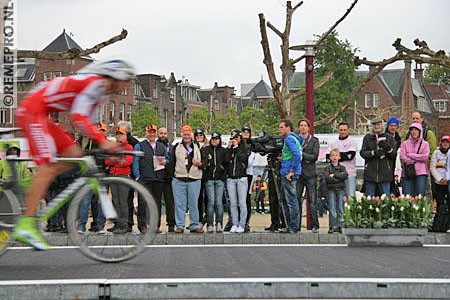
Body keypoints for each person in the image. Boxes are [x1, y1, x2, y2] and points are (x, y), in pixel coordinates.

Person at [13, 58, 132, 250]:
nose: (127, 85)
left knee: (76, 154)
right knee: (48, 168)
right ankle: (26, 223)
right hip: (32, 111)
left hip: (43, 113)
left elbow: (88, 126)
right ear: (114, 77)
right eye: (126, 79)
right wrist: (103, 142)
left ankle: (31, 193)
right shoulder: (94, 84)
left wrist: (103, 146)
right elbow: (77, 118)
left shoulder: (99, 93)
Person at [132, 124, 168, 233]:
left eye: (153, 132)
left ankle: (155, 226)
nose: (152, 134)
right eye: (149, 132)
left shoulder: (161, 146)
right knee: (143, 203)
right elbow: (135, 162)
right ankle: (142, 226)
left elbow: (167, 158)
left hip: (158, 178)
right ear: (146, 133)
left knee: (156, 203)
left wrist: (166, 161)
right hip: (144, 178)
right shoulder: (140, 145)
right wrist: (137, 176)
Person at [169, 125, 204, 233]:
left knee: (194, 203)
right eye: (185, 134)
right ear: (182, 135)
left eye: (188, 134)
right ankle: (180, 225)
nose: (187, 136)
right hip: (179, 179)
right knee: (179, 203)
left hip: (194, 178)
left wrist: (200, 164)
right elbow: (172, 162)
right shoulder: (176, 146)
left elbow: (206, 162)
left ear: (192, 135)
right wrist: (173, 176)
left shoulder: (198, 146)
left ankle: (194, 224)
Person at [77, 123, 108, 233]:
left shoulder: (96, 141)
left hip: (99, 173)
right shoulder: (79, 141)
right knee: (85, 201)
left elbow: (102, 156)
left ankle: (100, 226)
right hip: (86, 175)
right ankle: (81, 225)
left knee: (100, 202)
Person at [105, 126, 134, 234]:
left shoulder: (129, 147)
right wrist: (119, 159)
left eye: (121, 134)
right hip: (113, 175)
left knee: (123, 202)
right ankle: (117, 224)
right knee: (115, 202)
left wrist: (114, 160)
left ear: (125, 135)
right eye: (117, 134)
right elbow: (107, 161)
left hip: (123, 176)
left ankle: (124, 225)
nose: (119, 136)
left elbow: (127, 162)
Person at [360, 118, 396, 196]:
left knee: (385, 200)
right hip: (370, 174)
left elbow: (393, 154)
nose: (376, 126)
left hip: (385, 174)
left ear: (382, 125)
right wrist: (373, 153)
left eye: (378, 124)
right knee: (370, 200)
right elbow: (362, 153)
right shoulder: (367, 137)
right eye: (374, 125)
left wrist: (387, 148)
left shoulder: (389, 137)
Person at [278, 119, 302, 233]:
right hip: (288, 169)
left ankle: (293, 226)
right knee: (287, 200)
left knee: (291, 201)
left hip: (288, 172)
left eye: (281, 127)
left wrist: (291, 171)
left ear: (288, 128)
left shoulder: (289, 139)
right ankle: (290, 225)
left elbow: (297, 155)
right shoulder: (295, 138)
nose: (280, 129)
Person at [296, 118, 320, 232]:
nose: (303, 127)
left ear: (308, 128)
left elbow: (314, 157)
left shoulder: (314, 141)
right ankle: (297, 225)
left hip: (310, 174)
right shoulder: (295, 140)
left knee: (312, 201)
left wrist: (301, 154)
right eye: (301, 125)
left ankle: (315, 225)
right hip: (299, 173)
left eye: (305, 125)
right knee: (297, 199)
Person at [201, 132, 226, 233]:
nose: (214, 141)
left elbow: (227, 163)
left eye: (216, 139)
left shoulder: (223, 151)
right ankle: (210, 224)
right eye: (213, 139)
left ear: (219, 140)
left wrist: (223, 174)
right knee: (211, 202)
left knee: (219, 202)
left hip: (220, 179)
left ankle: (219, 223)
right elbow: (203, 163)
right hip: (209, 179)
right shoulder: (206, 150)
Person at [225, 129, 249, 233]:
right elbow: (225, 161)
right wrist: (229, 149)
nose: (234, 140)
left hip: (242, 178)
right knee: (233, 203)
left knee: (242, 203)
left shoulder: (244, 148)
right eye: (232, 138)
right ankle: (234, 223)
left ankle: (242, 224)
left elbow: (243, 159)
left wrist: (236, 148)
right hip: (231, 179)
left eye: (236, 138)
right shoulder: (230, 149)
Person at [117, 120, 140, 232]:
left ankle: (128, 223)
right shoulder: (117, 143)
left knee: (127, 200)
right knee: (119, 200)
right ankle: (120, 223)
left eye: (120, 130)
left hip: (128, 174)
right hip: (118, 173)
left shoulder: (133, 143)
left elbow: (130, 160)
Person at [400, 122, 430, 196]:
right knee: (407, 196)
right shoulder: (405, 143)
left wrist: (410, 155)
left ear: (420, 131)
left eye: (416, 130)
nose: (414, 132)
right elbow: (402, 157)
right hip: (407, 172)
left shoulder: (425, 144)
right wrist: (417, 158)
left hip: (421, 173)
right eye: (412, 130)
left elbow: (425, 157)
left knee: (420, 196)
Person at [322, 148, 348, 233]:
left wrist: (334, 175)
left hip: (340, 189)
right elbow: (327, 178)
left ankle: (341, 226)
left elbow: (345, 176)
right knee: (332, 208)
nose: (334, 157)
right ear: (329, 157)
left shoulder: (342, 167)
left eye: (336, 155)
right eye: (332, 155)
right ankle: (332, 226)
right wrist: (338, 177)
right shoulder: (327, 168)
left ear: (339, 157)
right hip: (331, 190)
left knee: (340, 208)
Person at [329, 122, 357, 198]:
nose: (343, 132)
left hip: (350, 174)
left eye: (345, 130)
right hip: (335, 175)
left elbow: (350, 156)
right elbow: (328, 157)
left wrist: (336, 156)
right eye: (341, 130)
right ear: (338, 130)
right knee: (337, 198)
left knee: (350, 198)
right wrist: (344, 155)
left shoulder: (352, 141)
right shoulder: (333, 142)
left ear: (348, 130)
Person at [157, 127, 175, 232]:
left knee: (170, 202)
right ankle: (156, 224)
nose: (163, 135)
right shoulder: (155, 147)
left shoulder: (171, 147)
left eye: (164, 133)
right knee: (157, 202)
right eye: (161, 133)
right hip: (157, 177)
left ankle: (171, 224)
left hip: (169, 177)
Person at [430, 136, 449, 218]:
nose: (445, 144)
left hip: (448, 182)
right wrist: (440, 179)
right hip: (438, 182)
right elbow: (432, 167)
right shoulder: (436, 153)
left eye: (447, 142)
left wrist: (447, 179)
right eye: (443, 142)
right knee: (439, 202)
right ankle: (439, 222)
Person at [241, 126, 256, 232]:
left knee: (246, 198)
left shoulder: (252, 145)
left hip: (248, 174)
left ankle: (246, 222)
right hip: (238, 174)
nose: (245, 134)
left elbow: (249, 162)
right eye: (244, 132)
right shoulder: (238, 144)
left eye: (247, 132)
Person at [194, 128, 208, 226]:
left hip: (206, 175)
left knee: (208, 198)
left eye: (201, 135)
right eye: (197, 135)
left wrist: (201, 164)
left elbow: (208, 161)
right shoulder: (193, 147)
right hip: (196, 175)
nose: (199, 136)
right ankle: (198, 219)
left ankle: (207, 218)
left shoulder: (207, 147)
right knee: (197, 199)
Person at [385, 117, 401, 194]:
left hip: (393, 163)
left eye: (395, 126)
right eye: (391, 125)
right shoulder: (384, 136)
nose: (393, 127)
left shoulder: (398, 138)